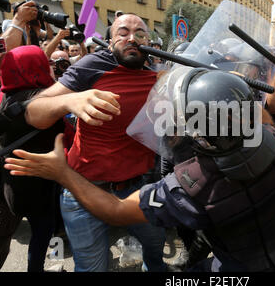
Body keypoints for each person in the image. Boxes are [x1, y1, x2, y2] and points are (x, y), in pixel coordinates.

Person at [4, 69, 275, 272]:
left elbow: (114, 210)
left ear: (195, 129)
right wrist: (224, 85)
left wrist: (63, 173)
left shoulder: (192, 188)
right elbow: (259, 112)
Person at [18, 13, 167, 272]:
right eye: (123, 33)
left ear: (149, 44)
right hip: (82, 189)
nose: (132, 38)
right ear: (110, 42)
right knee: (91, 268)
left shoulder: (159, 76)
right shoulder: (92, 66)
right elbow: (33, 112)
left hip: (139, 189)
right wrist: (69, 101)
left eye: (140, 34)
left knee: (156, 252)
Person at [0, 45, 62, 272]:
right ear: (35, 66)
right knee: (42, 233)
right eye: (44, 62)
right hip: (40, 184)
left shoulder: (5, 97)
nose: (49, 66)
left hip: (10, 184)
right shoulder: (42, 100)